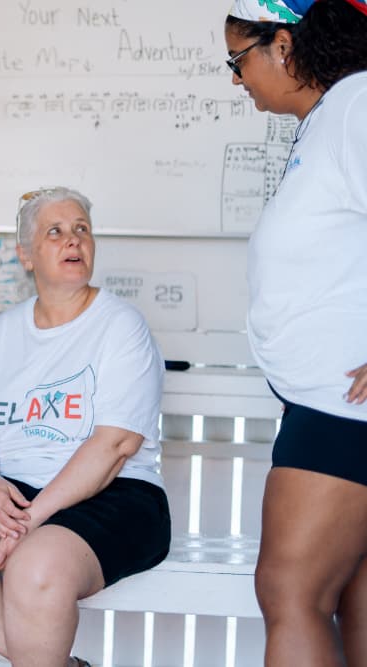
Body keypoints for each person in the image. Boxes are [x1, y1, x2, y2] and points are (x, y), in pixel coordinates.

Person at [0, 187, 170, 667]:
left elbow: (115, 445)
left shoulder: (120, 325)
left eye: (81, 230)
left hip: (115, 492)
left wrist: (29, 519)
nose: (73, 241)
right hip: (15, 488)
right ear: (25, 255)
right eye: (56, 232)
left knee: (35, 565)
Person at [222, 1, 367, 664]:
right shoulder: (331, 116)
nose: (235, 78)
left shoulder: (359, 103)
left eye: (238, 59)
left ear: (283, 44)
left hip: (342, 408)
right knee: (352, 600)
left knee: (291, 589)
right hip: (331, 404)